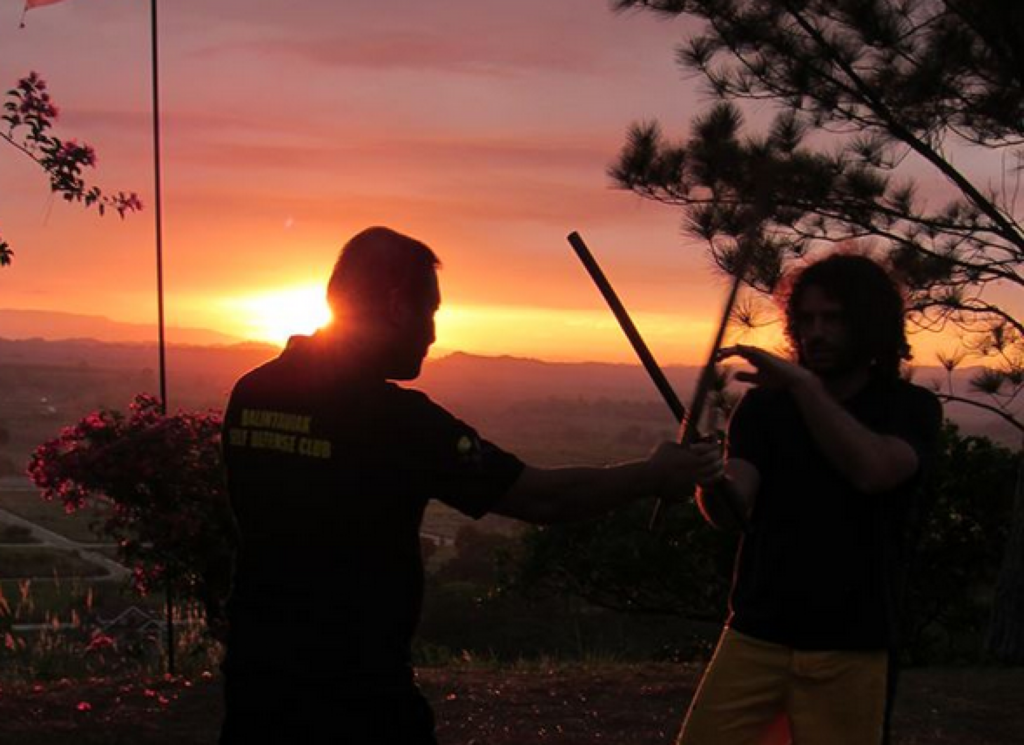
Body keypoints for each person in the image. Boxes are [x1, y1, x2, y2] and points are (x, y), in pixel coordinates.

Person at [219, 226, 721, 744]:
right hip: (357, 690)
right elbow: (541, 497)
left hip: (258, 677)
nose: (433, 335)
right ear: (396, 305)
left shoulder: (253, 392)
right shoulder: (400, 423)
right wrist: (654, 475)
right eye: (431, 312)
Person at [677, 254, 942, 745]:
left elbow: (873, 470)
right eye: (806, 319)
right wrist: (708, 478)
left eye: (833, 318)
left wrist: (802, 386)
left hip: (853, 642)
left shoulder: (909, 409)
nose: (816, 332)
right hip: (757, 631)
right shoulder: (764, 408)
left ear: (869, 323)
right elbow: (732, 507)